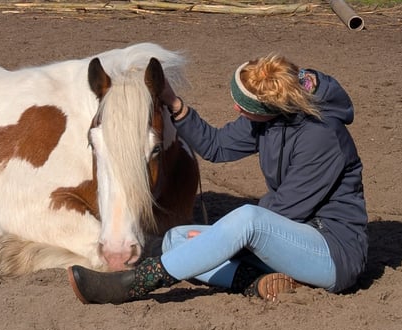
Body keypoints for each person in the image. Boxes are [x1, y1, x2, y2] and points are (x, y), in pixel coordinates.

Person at [69, 54, 368, 304]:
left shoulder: (323, 138)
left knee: (247, 220)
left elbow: (284, 211)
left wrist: (224, 240)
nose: (237, 109)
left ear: (268, 107)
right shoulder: (271, 119)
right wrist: (174, 104)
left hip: (331, 252)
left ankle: (136, 283)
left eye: (244, 107)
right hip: (286, 241)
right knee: (176, 240)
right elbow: (217, 146)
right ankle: (255, 282)